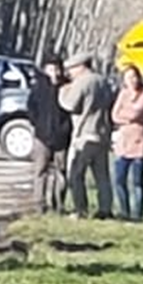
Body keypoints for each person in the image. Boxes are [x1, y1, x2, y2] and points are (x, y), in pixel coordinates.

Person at [58, 53, 113, 219]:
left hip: (84, 133)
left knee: (76, 174)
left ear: (81, 66)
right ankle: (105, 209)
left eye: (71, 69)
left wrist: (62, 92)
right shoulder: (103, 81)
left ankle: (80, 209)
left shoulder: (83, 82)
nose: (70, 73)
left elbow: (70, 105)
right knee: (102, 176)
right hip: (103, 133)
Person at [27, 55, 72, 214]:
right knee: (40, 171)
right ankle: (39, 204)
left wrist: (66, 129)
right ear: (45, 70)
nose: (54, 73)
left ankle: (58, 203)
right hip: (42, 136)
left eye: (57, 69)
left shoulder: (67, 87)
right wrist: (36, 123)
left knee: (61, 171)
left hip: (62, 137)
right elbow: (31, 107)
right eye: (51, 69)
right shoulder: (39, 87)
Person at [110, 65, 143, 222]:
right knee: (119, 179)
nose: (132, 80)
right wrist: (126, 117)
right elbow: (114, 115)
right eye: (128, 78)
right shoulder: (123, 94)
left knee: (136, 182)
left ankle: (137, 214)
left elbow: (137, 113)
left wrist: (126, 115)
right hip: (123, 143)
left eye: (134, 77)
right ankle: (124, 211)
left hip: (139, 144)